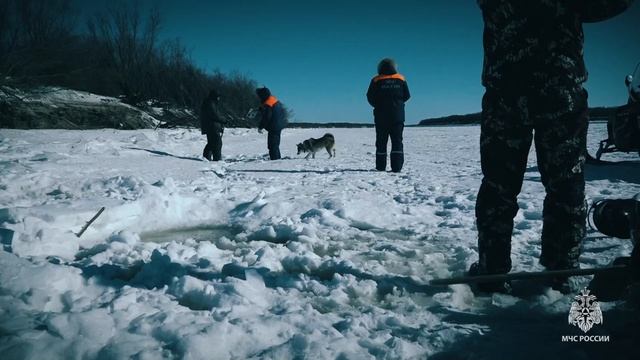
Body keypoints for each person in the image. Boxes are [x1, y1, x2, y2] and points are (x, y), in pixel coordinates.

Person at [470, 0, 634, 293]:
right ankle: (562, 269)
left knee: (500, 185)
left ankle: (493, 270)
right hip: (558, 89)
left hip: (508, 90)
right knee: (565, 183)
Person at [366, 58, 410, 172]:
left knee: (381, 141)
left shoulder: (376, 80)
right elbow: (407, 95)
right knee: (397, 141)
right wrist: (398, 104)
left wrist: (378, 105)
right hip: (398, 116)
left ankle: (381, 167)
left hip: (381, 117)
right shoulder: (401, 79)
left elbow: (370, 96)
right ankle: (397, 167)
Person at [256, 87, 287, 160]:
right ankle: (277, 158)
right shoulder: (273, 99)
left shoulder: (268, 103)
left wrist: (261, 126)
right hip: (279, 124)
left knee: (272, 145)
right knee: (275, 144)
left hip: (274, 126)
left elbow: (267, 117)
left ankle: (275, 161)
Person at [200, 89, 225, 161]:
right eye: (218, 96)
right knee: (217, 143)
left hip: (211, 126)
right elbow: (214, 115)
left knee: (211, 143)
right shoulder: (210, 103)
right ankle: (217, 160)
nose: (219, 98)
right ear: (215, 96)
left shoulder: (210, 102)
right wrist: (223, 120)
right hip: (212, 127)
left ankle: (207, 159)